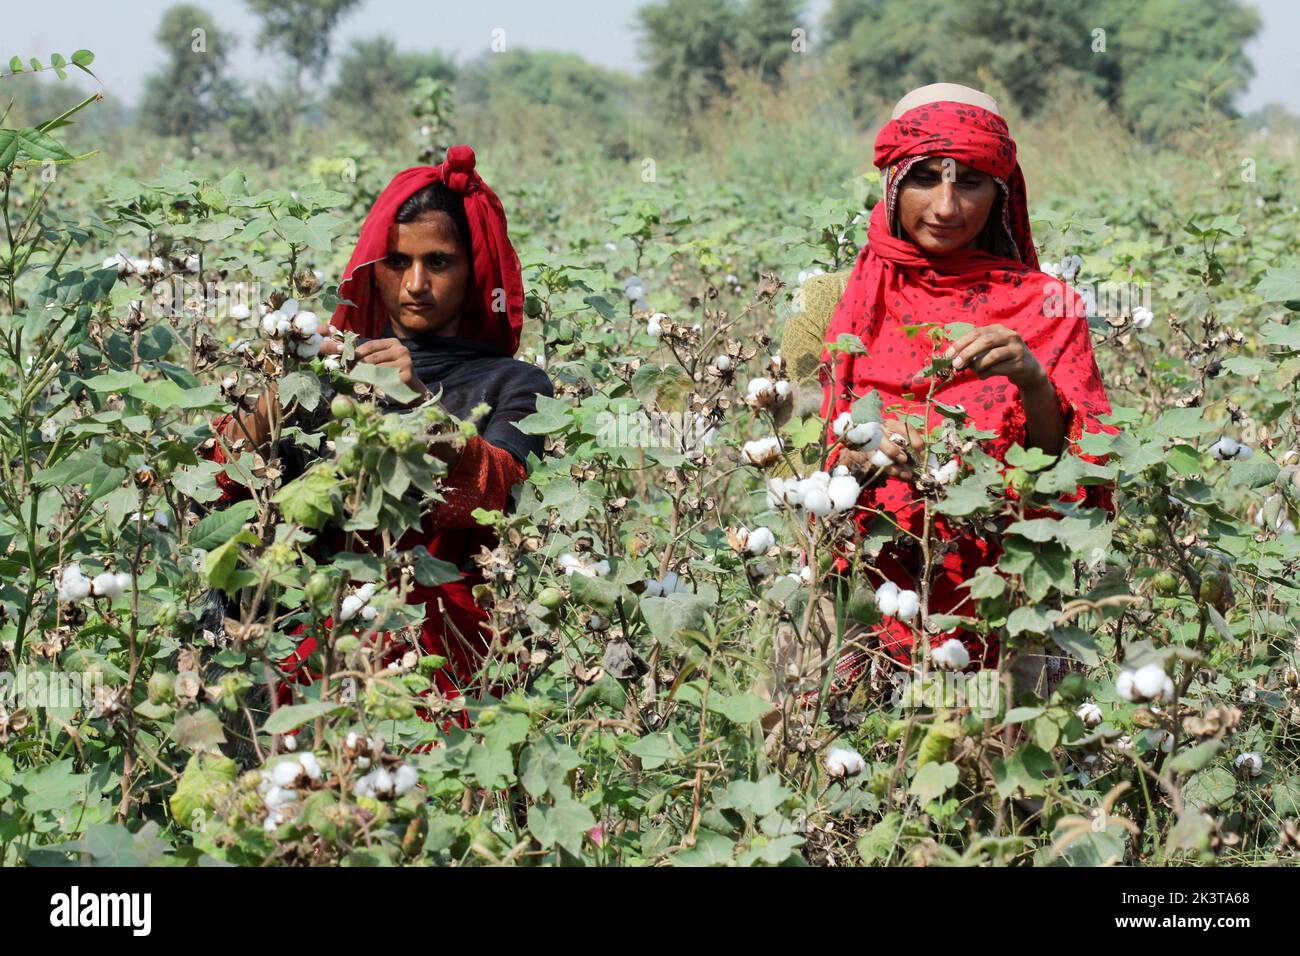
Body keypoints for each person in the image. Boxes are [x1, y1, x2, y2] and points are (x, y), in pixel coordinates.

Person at [204, 145, 552, 720]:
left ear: (473, 270)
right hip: (319, 665)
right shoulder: (331, 372)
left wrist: (416, 405)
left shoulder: (514, 383)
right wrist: (287, 386)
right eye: (397, 262)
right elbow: (222, 482)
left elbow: (499, 494)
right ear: (373, 267)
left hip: (450, 664)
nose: (415, 282)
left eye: (438, 262)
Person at [811, 83, 1116, 699]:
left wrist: (1031, 378)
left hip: (1005, 586)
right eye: (926, 178)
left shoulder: (1046, 305)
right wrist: (867, 453)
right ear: (894, 183)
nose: (947, 206)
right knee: (843, 761)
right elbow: (804, 454)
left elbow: (1067, 467)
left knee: (1007, 779)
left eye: (971, 182)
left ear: (1002, 192)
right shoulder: (837, 299)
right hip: (867, 579)